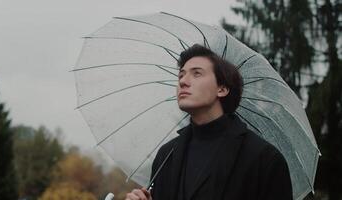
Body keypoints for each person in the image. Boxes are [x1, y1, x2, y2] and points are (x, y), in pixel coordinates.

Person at [125, 44, 293, 200]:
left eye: (196, 73)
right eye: (181, 75)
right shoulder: (166, 155)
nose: (183, 81)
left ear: (222, 89)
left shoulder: (264, 158)